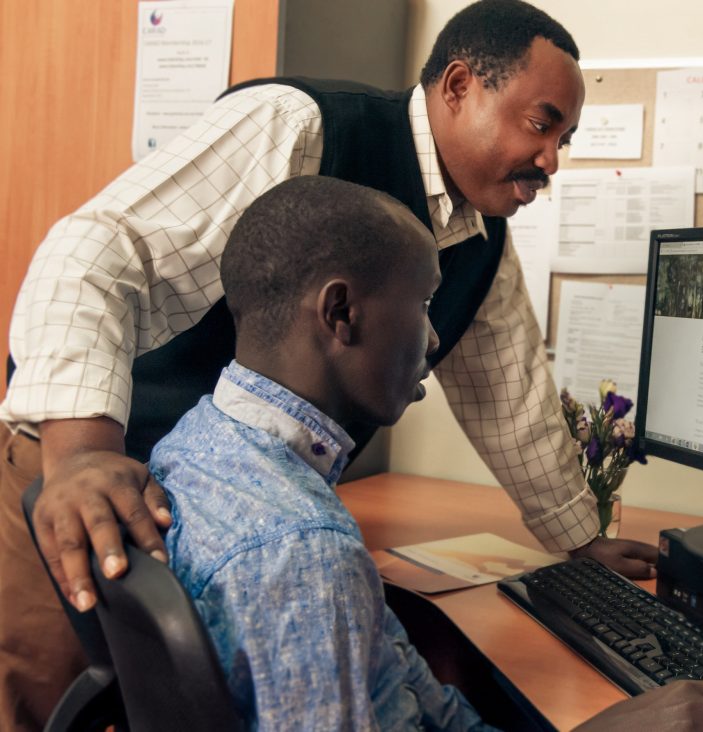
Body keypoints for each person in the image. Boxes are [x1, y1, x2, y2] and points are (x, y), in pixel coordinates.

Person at [0, 1, 657, 727]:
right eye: (542, 124)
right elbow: (94, 249)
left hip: (210, 502)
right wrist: (83, 457)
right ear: (461, 85)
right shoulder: (301, 127)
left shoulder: (481, 239)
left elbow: (513, 401)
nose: (552, 162)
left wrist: (580, 546)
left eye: (566, 138)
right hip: (80, 462)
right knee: (40, 697)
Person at [154, 174, 703, 731]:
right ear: (340, 313)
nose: (432, 336)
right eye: (423, 304)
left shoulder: (195, 445)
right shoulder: (304, 551)